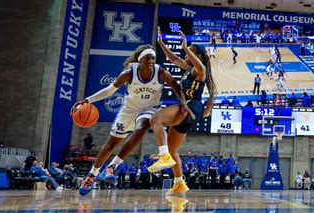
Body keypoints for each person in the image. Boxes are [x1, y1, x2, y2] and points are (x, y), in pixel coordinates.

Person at [73, 44, 189, 196]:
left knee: (142, 127)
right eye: (147, 57)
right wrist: (87, 100)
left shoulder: (161, 72)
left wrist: (183, 102)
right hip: (129, 110)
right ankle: (92, 175)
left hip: (150, 109)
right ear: (140, 60)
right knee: (110, 145)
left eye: (153, 58)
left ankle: (112, 167)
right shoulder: (129, 73)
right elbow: (109, 90)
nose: (151, 60)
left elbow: (177, 87)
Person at [147, 28, 217, 195]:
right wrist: (161, 44)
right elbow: (173, 58)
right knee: (173, 151)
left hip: (191, 107)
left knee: (156, 120)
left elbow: (200, 65)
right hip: (192, 113)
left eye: (189, 53)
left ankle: (163, 156)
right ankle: (179, 183)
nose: (185, 56)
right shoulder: (188, 67)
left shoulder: (199, 71)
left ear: (197, 56)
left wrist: (186, 47)